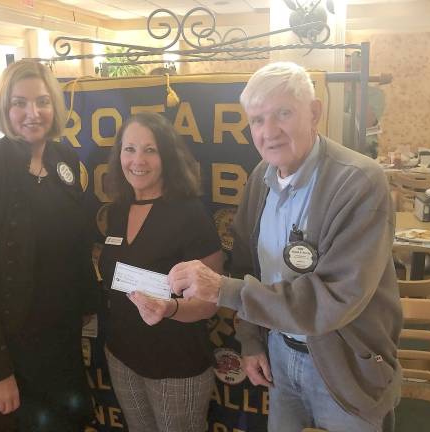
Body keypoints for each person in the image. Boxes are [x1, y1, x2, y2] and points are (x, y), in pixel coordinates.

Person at [168, 62, 402, 432]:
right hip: (279, 353)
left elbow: (335, 298)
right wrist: (250, 340)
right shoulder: (261, 177)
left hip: (346, 365)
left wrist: (223, 290)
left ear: (314, 113)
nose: (269, 131)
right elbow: (247, 265)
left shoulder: (359, 182)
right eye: (258, 120)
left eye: (283, 113)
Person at [0, 60, 97, 432]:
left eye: (42, 101)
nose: (32, 113)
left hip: (58, 341)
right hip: (6, 344)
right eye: (19, 103)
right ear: (3, 108)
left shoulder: (67, 162)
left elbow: (77, 244)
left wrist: (88, 302)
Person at [98, 112, 223, 432]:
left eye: (149, 150)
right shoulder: (117, 210)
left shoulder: (190, 214)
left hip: (175, 365)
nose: (137, 160)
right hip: (122, 357)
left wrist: (171, 308)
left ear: (166, 156)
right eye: (129, 149)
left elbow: (210, 301)